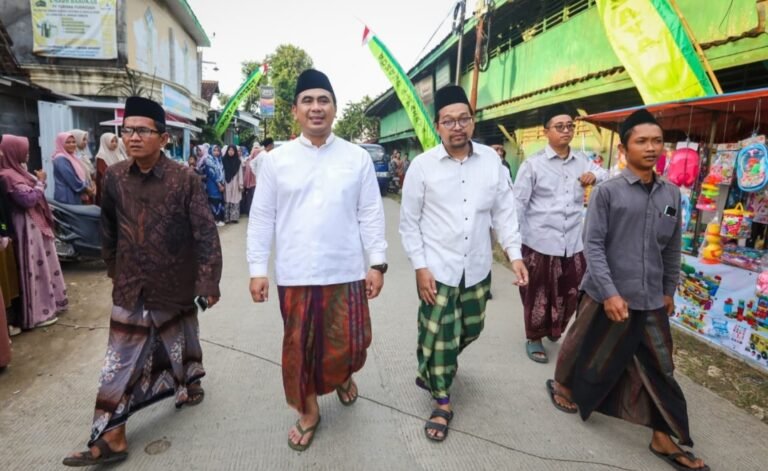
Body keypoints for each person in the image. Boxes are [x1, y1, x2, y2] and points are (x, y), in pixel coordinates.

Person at [63, 96, 222, 467]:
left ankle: (189, 379)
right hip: (131, 284)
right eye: (128, 130)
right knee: (119, 359)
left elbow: (205, 233)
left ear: (163, 138)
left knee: (180, 339)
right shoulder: (115, 178)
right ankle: (112, 434)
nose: (133, 137)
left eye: (142, 131)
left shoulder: (185, 180)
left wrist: (207, 281)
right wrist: (114, 268)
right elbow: (108, 229)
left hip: (173, 281)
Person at [547, 109, 708, 471]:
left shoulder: (672, 194)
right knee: (585, 348)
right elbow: (595, 246)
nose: (651, 148)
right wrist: (610, 293)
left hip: (651, 296)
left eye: (656, 141)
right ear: (624, 148)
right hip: (607, 293)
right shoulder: (607, 192)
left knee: (660, 365)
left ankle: (664, 435)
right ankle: (564, 385)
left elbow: (672, 247)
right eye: (642, 141)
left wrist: (669, 289)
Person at [247, 69, 387, 452]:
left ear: (335, 109)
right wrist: (257, 269)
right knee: (299, 351)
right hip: (296, 276)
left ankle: (342, 374)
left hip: (345, 273)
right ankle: (308, 411)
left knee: (350, 345)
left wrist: (377, 262)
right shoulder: (277, 162)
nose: (316, 108)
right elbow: (261, 218)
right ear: (294, 111)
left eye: (323, 100)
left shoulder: (356, 158)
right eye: (307, 101)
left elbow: (371, 213)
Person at [399, 85, 528, 442]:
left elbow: (504, 212)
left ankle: (431, 364)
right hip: (437, 269)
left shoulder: (492, 161)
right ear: (437, 126)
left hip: (477, 268)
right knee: (440, 331)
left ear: (473, 122)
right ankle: (441, 399)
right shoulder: (421, 167)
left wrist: (514, 255)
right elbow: (409, 223)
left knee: (471, 328)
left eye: (464, 119)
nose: (458, 127)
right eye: (449, 121)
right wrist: (420, 267)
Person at [512, 106, 608, 363]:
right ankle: (534, 337)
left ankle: (555, 327)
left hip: (573, 242)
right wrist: (514, 250)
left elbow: (605, 173)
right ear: (546, 132)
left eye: (570, 126)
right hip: (539, 241)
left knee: (572, 290)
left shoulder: (582, 160)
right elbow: (518, 205)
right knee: (538, 293)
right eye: (560, 126)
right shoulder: (533, 165)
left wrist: (594, 175)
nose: (566, 131)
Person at [0, 134, 67, 330]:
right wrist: (39, 183)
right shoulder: (8, 175)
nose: (28, 153)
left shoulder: (18, 171)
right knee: (35, 267)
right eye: (23, 149)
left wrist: (38, 183)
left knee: (43, 265)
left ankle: (51, 304)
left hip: (34, 224)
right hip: (26, 227)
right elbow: (27, 201)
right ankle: (38, 313)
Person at [53, 132, 95, 205]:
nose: (72, 145)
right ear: (61, 143)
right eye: (68, 142)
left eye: (74, 142)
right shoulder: (60, 158)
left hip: (73, 195)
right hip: (66, 197)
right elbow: (71, 178)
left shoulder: (72, 157)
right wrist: (86, 189)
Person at [95, 133, 125, 205]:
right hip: (107, 185)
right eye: (112, 141)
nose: (114, 144)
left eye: (116, 141)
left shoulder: (117, 153)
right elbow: (103, 172)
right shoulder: (102, 156)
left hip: (119, 184)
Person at [201, 144, 226, 226]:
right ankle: (215, 220)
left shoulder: (219, 160)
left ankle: (219, 219)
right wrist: (219, 185)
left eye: (218, 150)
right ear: (211, 151)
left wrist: (222, 184)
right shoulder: (208, 160)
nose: (216, 152)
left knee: (219, 201)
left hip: (220, 184)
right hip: (212, 184)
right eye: (214, 150)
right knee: (213, 201)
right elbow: (212, 174)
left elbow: (221, 172)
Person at [70, 130, 96, 203]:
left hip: (89, 189)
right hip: (81, 191)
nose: (86, 142)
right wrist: (86, 188)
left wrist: (93, 184)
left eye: (86, 140)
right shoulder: (72, 156)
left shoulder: (83, 154)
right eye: (83, 139)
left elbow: (90, 171)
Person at [222, 144, 244, 224]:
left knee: (235, 198)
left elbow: (240, 173)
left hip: (235, 182)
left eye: (232, 150)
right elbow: (222, 172)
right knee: (227, 199)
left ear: (235, 152)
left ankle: (234, 218)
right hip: (227, 182)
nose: (231, 152)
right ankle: (227, 218)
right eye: (229, 150)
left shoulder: (238, 162)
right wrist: (222, 183)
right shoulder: (224, 160)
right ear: (227, 151)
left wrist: (241, 184)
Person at [241, 142, 261, 215]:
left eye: (257, 148)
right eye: (254, 148)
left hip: (253, 183)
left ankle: (251, 212)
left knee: (252, 197)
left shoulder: (250, 158)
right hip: (252, 183)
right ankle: (251, 212)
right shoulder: (249, 159)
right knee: (252, 197)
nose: (256, 151)